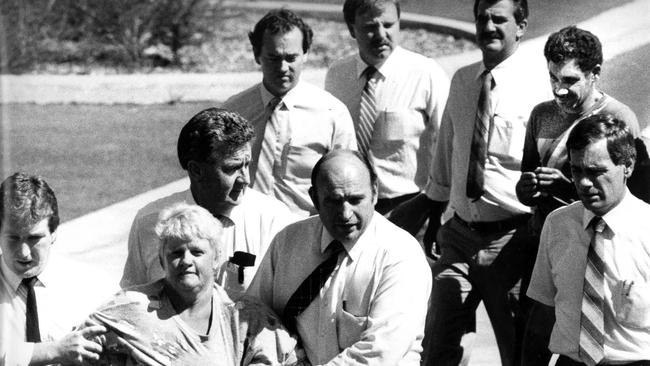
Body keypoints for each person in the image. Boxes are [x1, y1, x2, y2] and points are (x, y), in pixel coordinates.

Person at [389, 0, 553, 365]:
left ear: (521, 26)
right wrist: (435, 212)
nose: (489, 27)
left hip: (512, 241)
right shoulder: (463, 80)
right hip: (459, 238)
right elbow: (447, 154)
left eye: (499, 19)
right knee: (436, 344)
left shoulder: (539, 86)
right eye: (482, 19)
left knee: (518, 351)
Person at [516, 26, 640, 365]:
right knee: (532, 333)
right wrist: (527, 188)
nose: (559, 89)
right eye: (553, 78)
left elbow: (633, 198)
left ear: (595, 73)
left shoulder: (619, 118)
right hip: (550, 243)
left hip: (604, 252)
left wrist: (566, 186)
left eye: (570, 80)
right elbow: (527, 182)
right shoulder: (542, 115)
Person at [247, 150, 431, 365]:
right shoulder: (287, 242)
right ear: (314, 198)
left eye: (355, 200)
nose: (345, 214)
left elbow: (379, 354)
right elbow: (255, 316)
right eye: (334, 201)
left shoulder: (401, 255)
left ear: (374, 192)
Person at [92, 204, 299, 365]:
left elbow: (291, 359)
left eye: (197, 252)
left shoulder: (244, 317)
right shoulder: (131, 307)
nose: (186, 261)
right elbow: (74, 348)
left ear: (216, 258)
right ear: (162, 260)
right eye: (176, 253)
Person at [120, 108, 294, 299]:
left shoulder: (274, 220)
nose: (245, 179)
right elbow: (133, 301)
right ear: (196, 170)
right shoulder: (151, 222)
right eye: (232, 168)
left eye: (247, 165)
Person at [527, 114, 650, 365]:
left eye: (595, 172)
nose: (583, 182)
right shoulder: (557, 225)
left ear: (627, 165)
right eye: (576, 170)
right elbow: (543, 314)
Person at [222, 9, 357, 216]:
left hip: (302, 234)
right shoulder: (233, 111)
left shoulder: (332, 114)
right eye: (273, 58)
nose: (283, 67)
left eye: (291, 58)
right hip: (242, 230)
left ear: (305, 54)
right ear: (257, 55)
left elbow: (347, 183)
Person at [324, 0, 450, 214]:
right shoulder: (337, 75)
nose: (381, 34)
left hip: (411, 207)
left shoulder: (426, 74)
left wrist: (438, 210)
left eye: (389, 25)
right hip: (351, 209)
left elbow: (450, 145)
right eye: (370, 27)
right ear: (352, 29)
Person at [0, 172, 107, 365]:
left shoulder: (90, 286)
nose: (24, 253)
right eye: (13, 238)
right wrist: (55, 350)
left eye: (34, 238)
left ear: (54, 233)